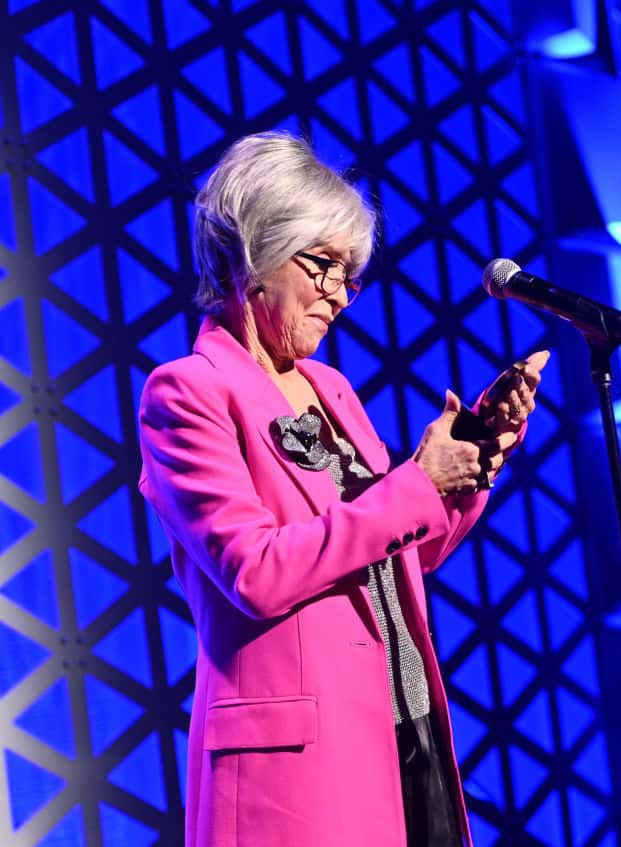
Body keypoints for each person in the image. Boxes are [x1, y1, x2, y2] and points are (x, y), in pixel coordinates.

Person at [137, 131, 548, 847]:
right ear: (255, 254)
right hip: (291, 772)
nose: (339, 292)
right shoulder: (188, 394)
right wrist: (417, 483)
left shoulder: (330, 390)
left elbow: (399, 556)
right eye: (322, 264)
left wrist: (471, 453)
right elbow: (256, 571)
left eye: (350, 273)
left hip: (402, 734)